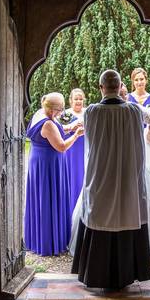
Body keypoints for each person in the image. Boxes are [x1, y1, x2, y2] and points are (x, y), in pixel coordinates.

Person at [71, 69, 150, 289]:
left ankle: (97, 274)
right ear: (120, 87)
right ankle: (127, 274)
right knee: (126, 212)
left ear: (101, 88)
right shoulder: (134, 111)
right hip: (128, 178)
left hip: (101, 178)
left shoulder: (91, 112)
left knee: (100, 215)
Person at [24, 92, 83, 256]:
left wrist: (69, 127)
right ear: (52, 109)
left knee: (42, 199)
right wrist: (76, 135)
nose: (62, 111)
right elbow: (61, 146)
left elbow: (53, 130)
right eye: (60, 108)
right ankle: (49, 242)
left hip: (40, 162)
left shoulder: (39, 113)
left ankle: (37, 238)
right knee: (48, 198)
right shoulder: (48, 123)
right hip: (48, 165)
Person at [62, 88, 87, 217]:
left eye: (80, 99)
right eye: (76, 99)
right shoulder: (66, 115)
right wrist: (71, 128)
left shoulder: (88, 113)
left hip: (84, 150)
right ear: (70, 100)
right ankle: (70, 211)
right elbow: (60, 133)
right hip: (70, 151)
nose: (78, 101)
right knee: (71, 178)